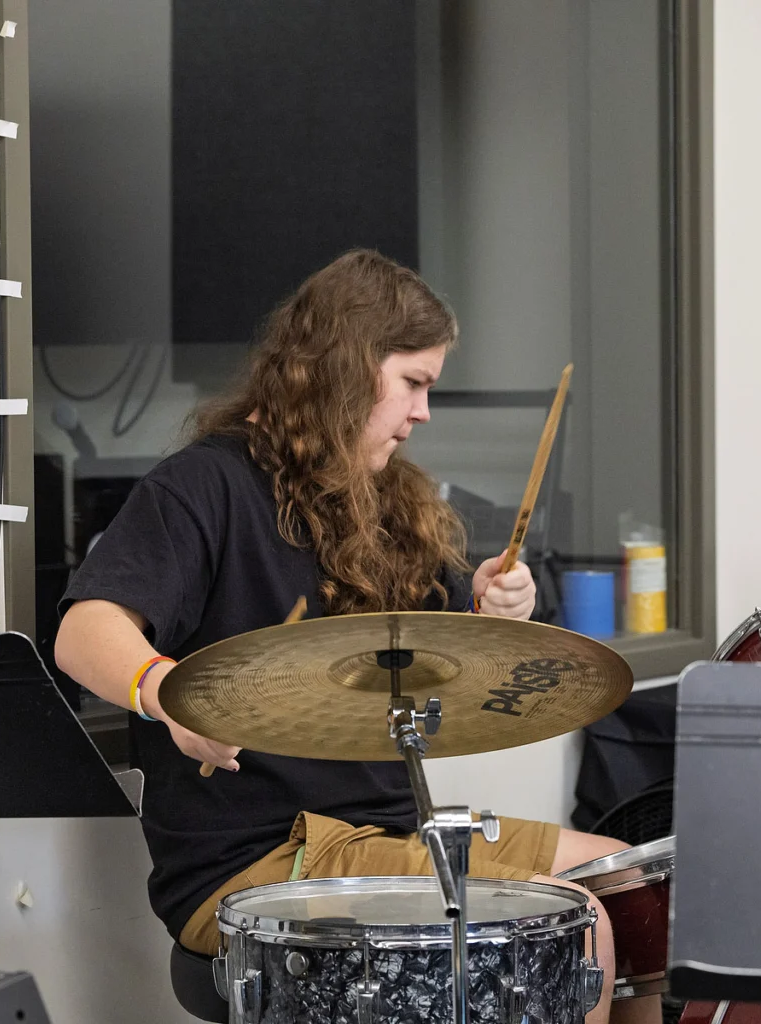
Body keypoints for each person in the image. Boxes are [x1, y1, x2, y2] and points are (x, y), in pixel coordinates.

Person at [55, 250, 657, 1023]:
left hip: (390, 834)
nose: (424, 413)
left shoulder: (389, 504)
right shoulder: (204, 487)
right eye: (414, 382)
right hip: (259, 859)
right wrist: (165, 695)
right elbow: (84, 631)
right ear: (345, 368)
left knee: (626, 886)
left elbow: (454, 654)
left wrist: (495, 612)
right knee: (578, 925)